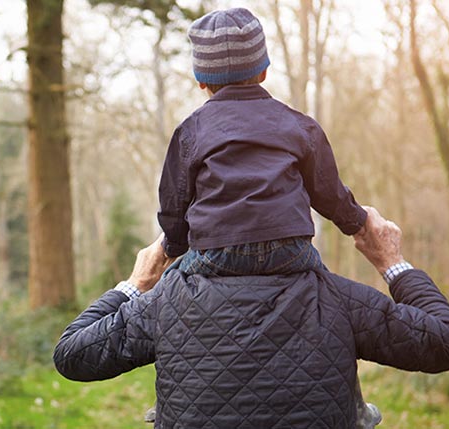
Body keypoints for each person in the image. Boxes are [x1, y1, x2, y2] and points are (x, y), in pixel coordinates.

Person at [154, 7, 376, 424]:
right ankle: (355, 405)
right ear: (264, 70)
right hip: (290, 252)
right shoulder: (299, 126)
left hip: (215, 254)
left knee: (173, 300)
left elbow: (174, 205)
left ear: (202, 81)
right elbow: (329, 195)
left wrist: (174, 247)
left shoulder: (191, 132)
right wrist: (358, 223)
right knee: (328, 303)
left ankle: (169, 401)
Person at [53, 207, 449, 428]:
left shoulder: (166, 302)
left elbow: (73, 353)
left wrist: (136, 282)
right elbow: (447, 343)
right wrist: (392, 262)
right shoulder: (338, 299)